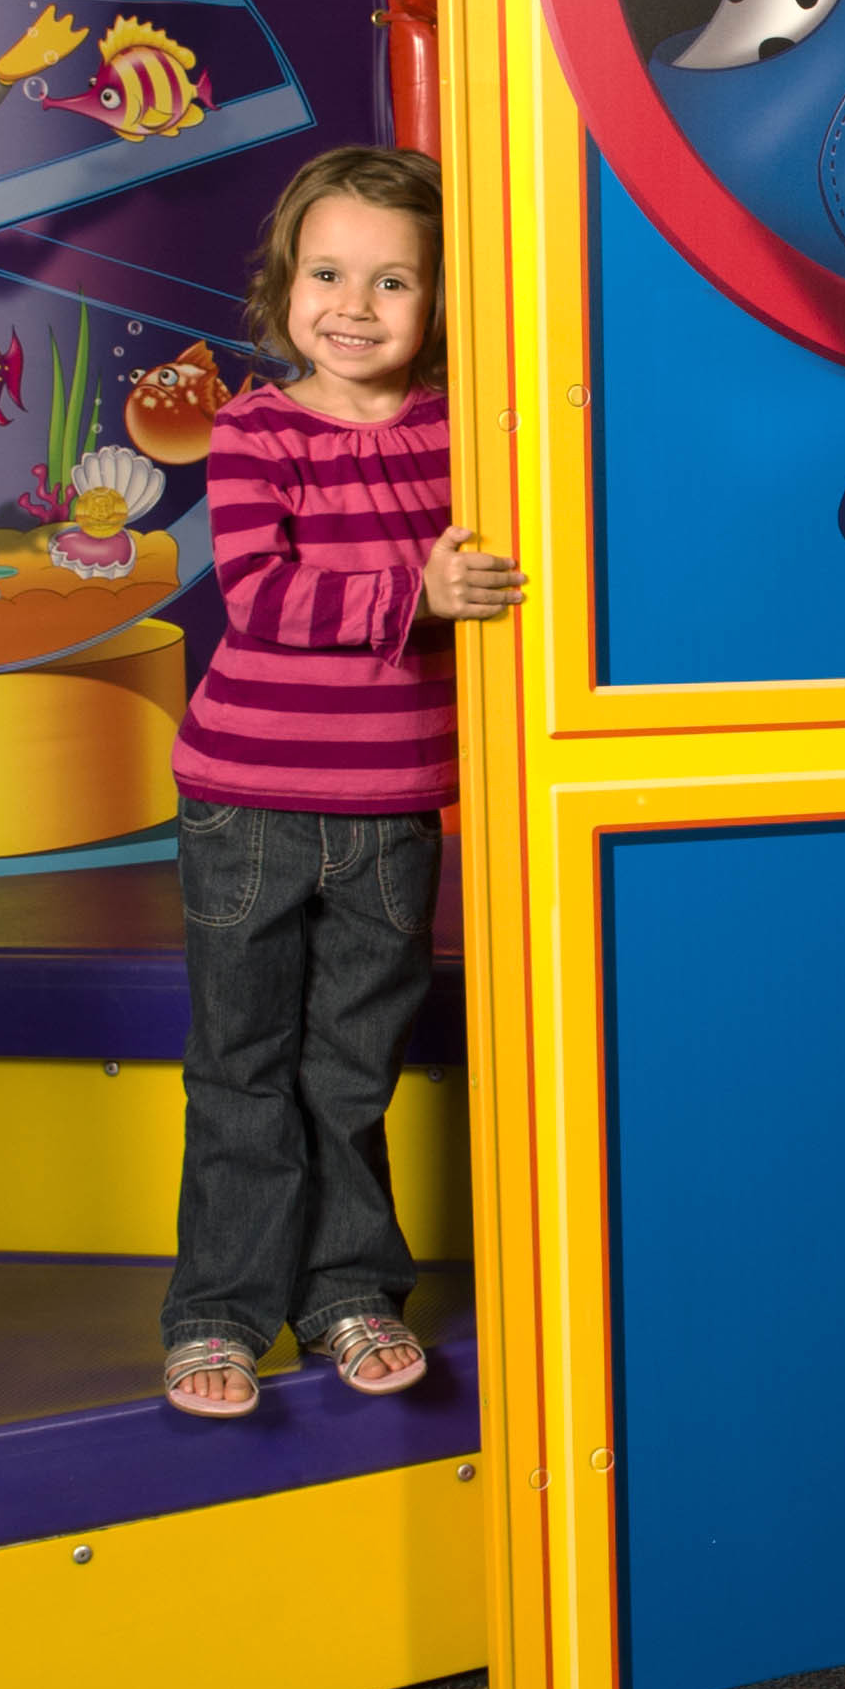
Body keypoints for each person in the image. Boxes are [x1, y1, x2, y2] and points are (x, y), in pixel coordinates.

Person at [159, 147, 526, 1419]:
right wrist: (415, 594)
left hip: (393, 812)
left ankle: (349, 1291)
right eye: (326, 274)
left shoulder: (466, 433)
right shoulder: (255, 429)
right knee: (243, 1066)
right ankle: (220, 1311)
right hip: (248, 805)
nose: (353, 306)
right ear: (284, 284)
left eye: (392, 281)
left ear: (441, 299)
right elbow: (257, 596)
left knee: (352, 1070)